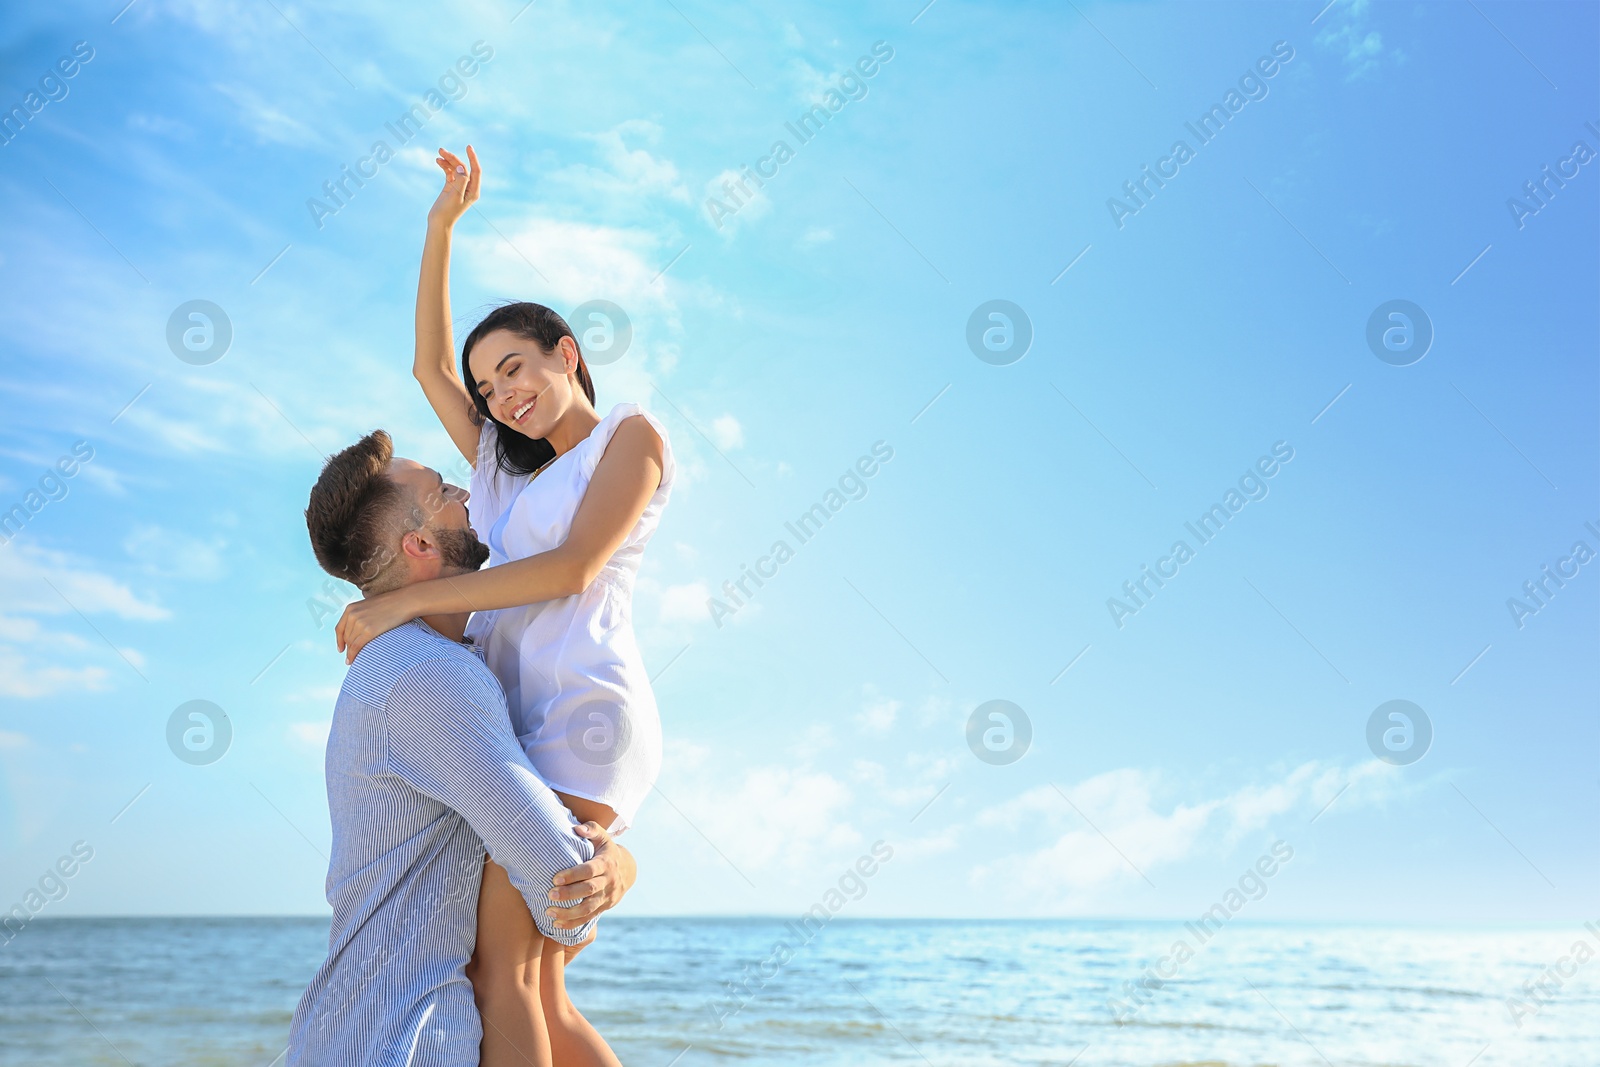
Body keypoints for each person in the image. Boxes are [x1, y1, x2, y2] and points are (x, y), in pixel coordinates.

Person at [334, 145, 674, 1067]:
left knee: (506, 977)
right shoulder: (497, 472)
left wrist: (406, 607)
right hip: (518, 715)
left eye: (518, 367)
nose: (503, 395)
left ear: (568, 352)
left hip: (581, 709)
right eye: (490, 386)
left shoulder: (629, 438)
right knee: (533, 984)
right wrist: (440, 229)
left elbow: (569, 570)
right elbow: (426, 366)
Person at [288, 430, 636, 1067]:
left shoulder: (409, 662)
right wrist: (618, 867)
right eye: (442, 491)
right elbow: (561, 883)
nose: (464, 492)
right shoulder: (427, 673)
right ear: (419, 543)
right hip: (400, 1038)